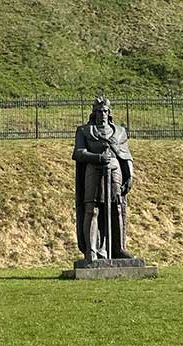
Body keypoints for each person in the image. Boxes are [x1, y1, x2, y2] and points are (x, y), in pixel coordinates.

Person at [72, 96, 134, 261]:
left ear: (110, 113)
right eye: (99, 111)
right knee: (92, 209)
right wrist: (98, 158)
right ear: (94, 113)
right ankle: (91, 250)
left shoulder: (119, 131)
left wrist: (130, 175)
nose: (103, 114)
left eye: (105, 111)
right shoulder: (85, 131)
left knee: (116, 208)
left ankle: (118, 248)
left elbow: (126, 155)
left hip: (115, 171)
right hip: (94, 170)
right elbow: (78, 153)